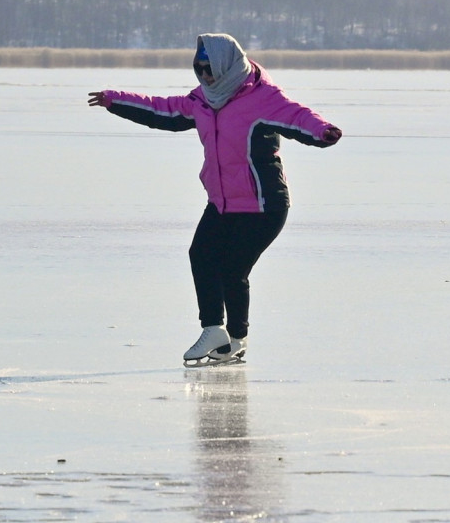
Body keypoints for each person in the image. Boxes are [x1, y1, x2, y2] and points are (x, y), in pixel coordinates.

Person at [88, 33, 341, 365]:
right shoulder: (203, 99)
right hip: (223, 202)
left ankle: (234, 337)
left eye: (210, 69)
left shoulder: (262, 96)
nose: (205, 76)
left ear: (227, 65)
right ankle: (222, 337)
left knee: (233, 268)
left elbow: (298, 116)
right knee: (202, 255)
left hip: (264, 204)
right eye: (199, 69)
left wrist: (322, 131)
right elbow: (161, 110)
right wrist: (115, 100)